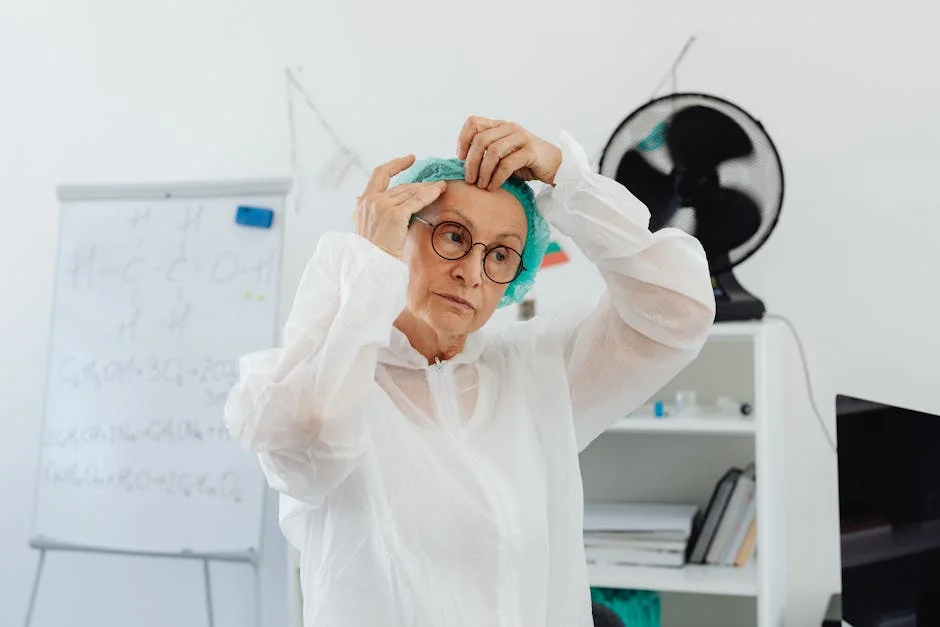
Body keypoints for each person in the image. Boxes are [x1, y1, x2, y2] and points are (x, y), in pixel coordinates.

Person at [224, 116, 716, 627]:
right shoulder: (337, 377)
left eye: (501, 255)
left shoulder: (534, 373)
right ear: (400, 233)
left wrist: (568, 180)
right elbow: (308, 443)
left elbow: (678, 314)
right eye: (454, 236)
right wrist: (366, 260)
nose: (471, 272)